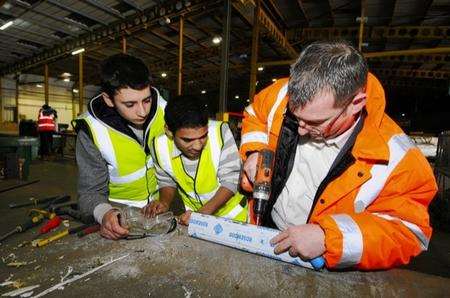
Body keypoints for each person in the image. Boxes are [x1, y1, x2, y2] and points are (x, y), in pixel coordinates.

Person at [240, 41, 437, 270]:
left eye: (314, 122)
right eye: (295, 117)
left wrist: (329, 237)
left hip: (317, 260)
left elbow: (409, 232)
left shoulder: (399, 160)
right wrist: (255, 150)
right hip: (266, 230)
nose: (301, 129)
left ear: (355, 104)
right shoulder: (282, 94)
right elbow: (255, 113)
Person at [72, 54, 166, 240]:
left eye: (146, 100)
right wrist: (106, 214)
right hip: (123, 219)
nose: (142, 111)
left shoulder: (162, 107)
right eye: (130, 104)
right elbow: (89, 193)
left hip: (160, 214)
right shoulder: (91, 130)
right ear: (108, 99)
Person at [144, 95, 247, 225]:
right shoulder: (158, 146)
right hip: (192, 218)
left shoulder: (220, 132)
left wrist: (201, 215)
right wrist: (164, 202)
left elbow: (230, 182)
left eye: (203, 136)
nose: (198, 146)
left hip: (232, 220)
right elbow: (166, 180)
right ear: (169, 131)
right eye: (187, 140)